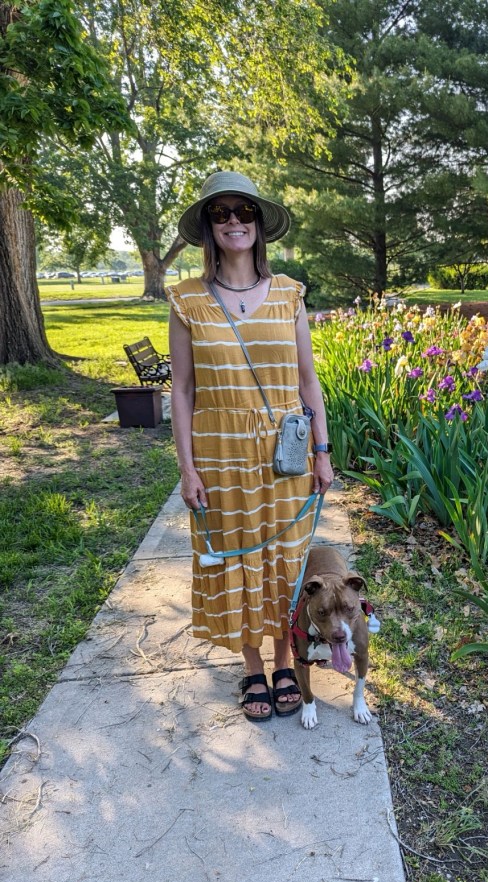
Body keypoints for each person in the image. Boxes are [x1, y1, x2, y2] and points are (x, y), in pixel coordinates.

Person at [166, 171, 333, 722]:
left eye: (244, 211)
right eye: (221, 213)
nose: (234, 221)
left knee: (285, 561)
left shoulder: (289, 294)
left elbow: (307, 381)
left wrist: (323, 451)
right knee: (236, 559)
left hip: (285, 459)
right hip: (219, 457)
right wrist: (187, 469)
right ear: (208, 227)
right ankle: (253, 668)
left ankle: (285, 662)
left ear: (259, 223)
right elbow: (182, 390)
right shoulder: (187, 300)